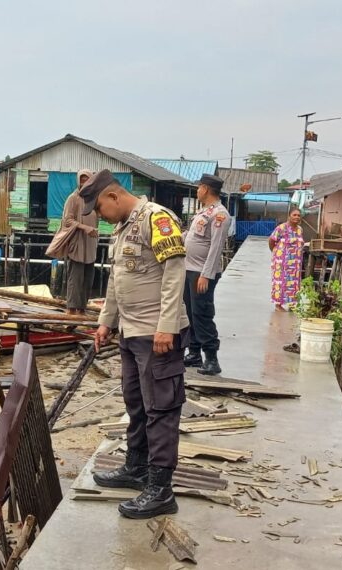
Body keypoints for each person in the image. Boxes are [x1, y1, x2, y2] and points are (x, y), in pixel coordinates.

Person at [81, 169, 189, 519]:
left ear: (113, 196)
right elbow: (117, 278)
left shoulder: (156, 218)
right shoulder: (123, 227)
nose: (99, 216)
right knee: (137, 404)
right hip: (131, 331)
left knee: (160, 409)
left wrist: (167, 326)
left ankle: (160, 489)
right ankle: (136, 467)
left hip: (157, 333)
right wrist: (106, 322)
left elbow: (174, 271)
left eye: (99, 208)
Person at [182, 174, 231, 375]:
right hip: (189, 268)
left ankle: (211, 358)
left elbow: (216, 247)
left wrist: (206, 274)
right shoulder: (203, 212)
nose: (197, 191)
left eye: (199, 187)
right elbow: (192, 236)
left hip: (202, 273)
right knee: (190, 312)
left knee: (202, 313)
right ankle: (194, 352)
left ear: (206, 189)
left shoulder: (220, 215)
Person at [60, 169, 98, 315]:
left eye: (87, 179)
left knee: (88, 280)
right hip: (77, 243)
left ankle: (82, 309)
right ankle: (71, 309)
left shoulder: (93, 198)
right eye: (82, 179)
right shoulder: (73, 198)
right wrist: (84, 227)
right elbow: (67, 220)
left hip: (90, 244)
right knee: (75, 278)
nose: (84, 182)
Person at [269, 207, 305, 310]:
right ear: (289, 216)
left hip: (295, 263)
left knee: (294, 283)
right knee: (280, 282)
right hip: (282, 262)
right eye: (294, 215)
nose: (297, 217)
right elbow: (272, 240)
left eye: (298, 215)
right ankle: (278, 304)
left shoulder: (300, 229)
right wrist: (276, 253)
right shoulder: (281, 228)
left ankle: (292, 304)